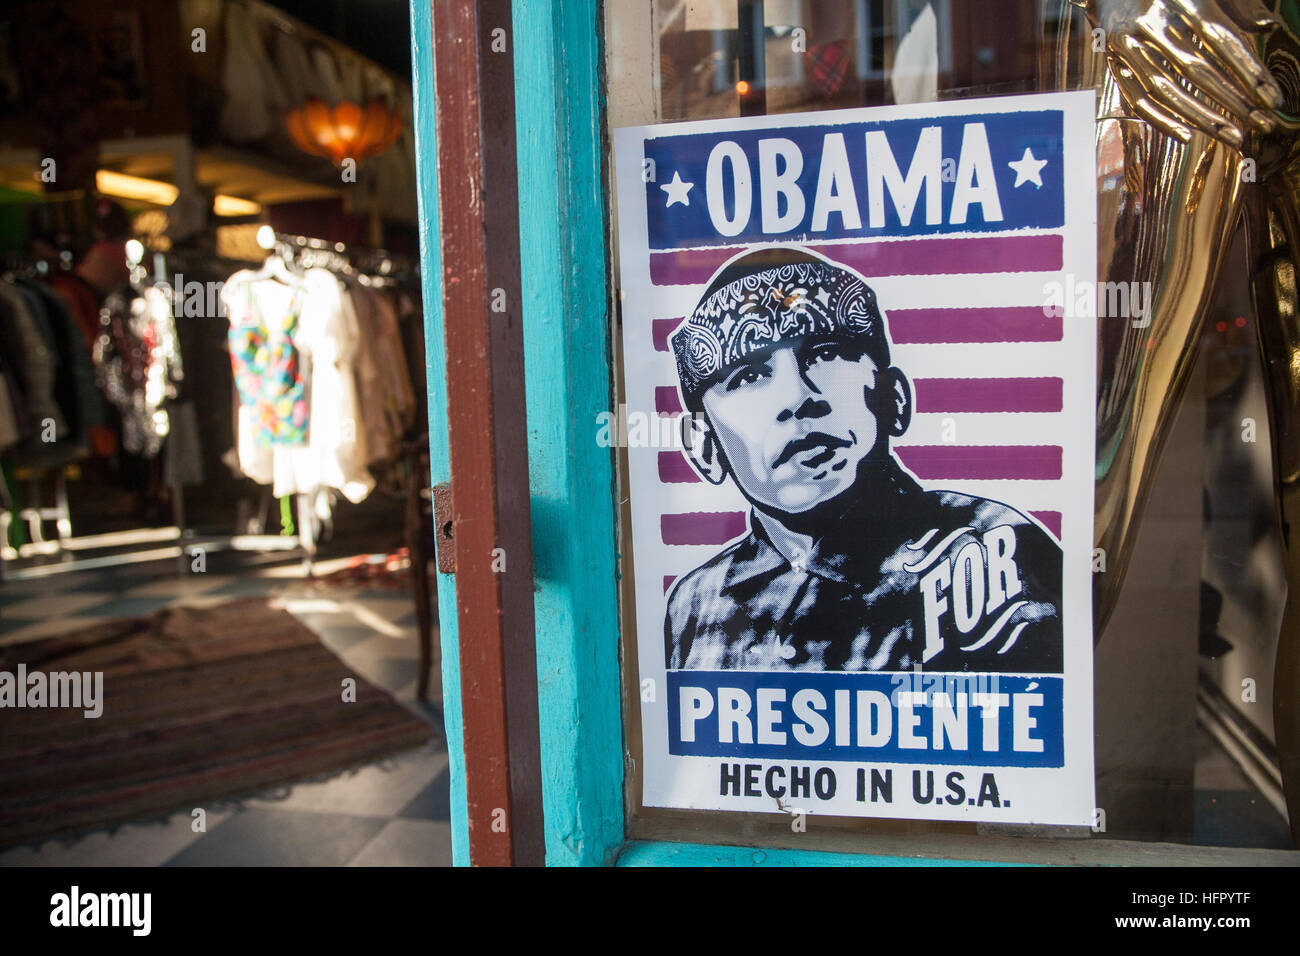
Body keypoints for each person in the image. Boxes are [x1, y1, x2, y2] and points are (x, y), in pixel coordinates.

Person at [665, 246, 1063, 673]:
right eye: (748, 375)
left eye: (825, 354)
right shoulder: (694, 604)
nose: (798, 398)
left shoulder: (988, 555)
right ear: (705, 449)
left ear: (893, 398)